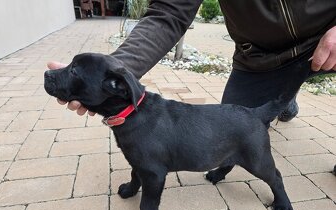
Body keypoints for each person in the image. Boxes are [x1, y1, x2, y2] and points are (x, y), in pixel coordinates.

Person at [48, 0, 336, 120]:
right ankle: (284, 95)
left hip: (329, 32)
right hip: (263, 57)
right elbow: (170, 13)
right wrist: (111, 70)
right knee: (232, 127)